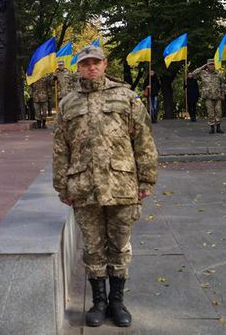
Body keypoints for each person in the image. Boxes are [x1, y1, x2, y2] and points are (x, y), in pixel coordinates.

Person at [53, 45, 158, 328]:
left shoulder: (126, 97)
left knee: (120, 246)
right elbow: (60, 148)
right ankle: (98, 301)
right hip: (84, 186)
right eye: (85, 63)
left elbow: (143, 141)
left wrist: (146, 179)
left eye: (95, 63)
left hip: (122, 185)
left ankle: (117, 301)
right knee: (93, 247)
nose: (91, 67)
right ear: (79, 66)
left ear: (104, 64)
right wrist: (61, 185)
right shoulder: (68, 104)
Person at [190, 59, 226, 134]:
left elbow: (222, 84)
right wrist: (203, 66)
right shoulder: (203, 73)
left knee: (219, 111)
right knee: (210, 112)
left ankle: (218, 127)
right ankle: (212, 127)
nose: (211, 66)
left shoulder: (219, 73)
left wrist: (223, 94)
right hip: (208, 96)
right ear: (207, 65)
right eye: (210, 64)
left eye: (213, 64)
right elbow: (192, 74)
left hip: (217, 95)